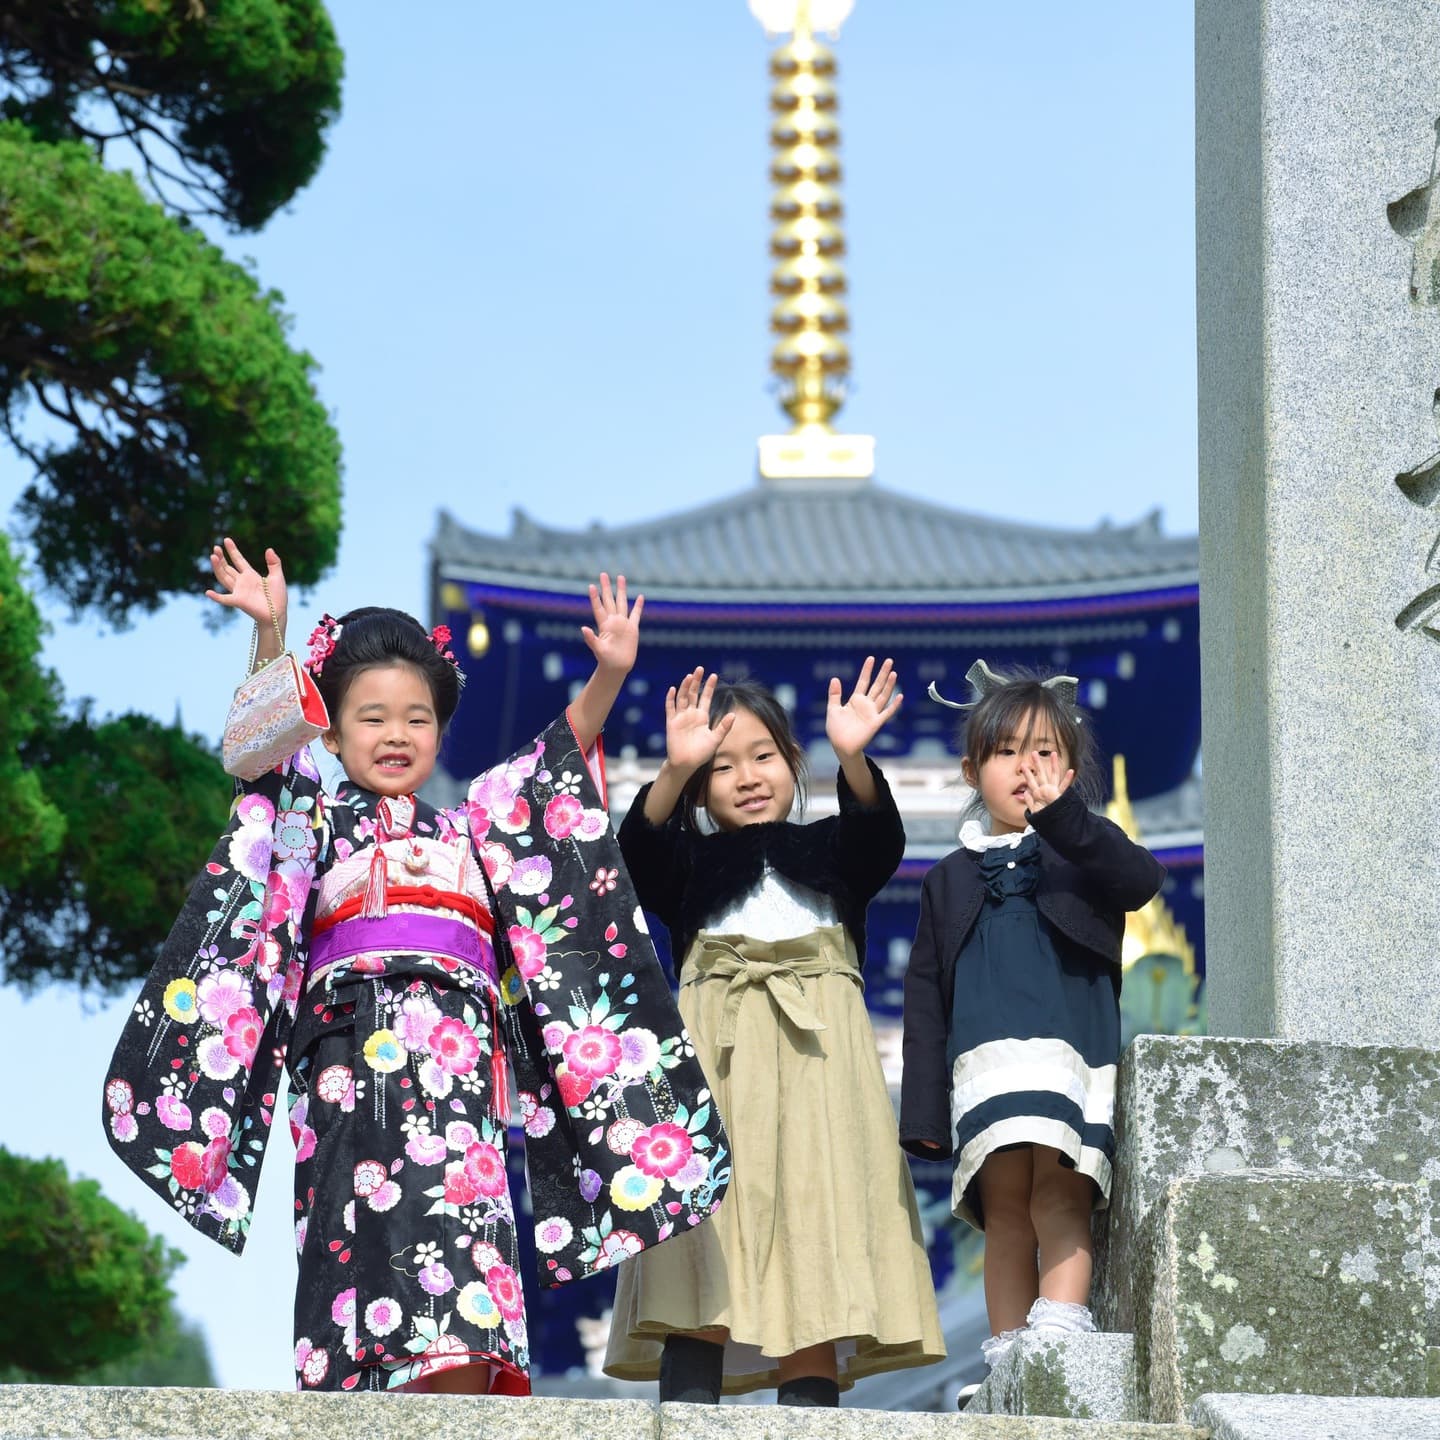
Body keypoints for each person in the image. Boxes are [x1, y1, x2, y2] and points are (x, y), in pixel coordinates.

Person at [103, 540, 729, 1395]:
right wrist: (271, 632)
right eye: (371, 716)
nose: (396, 735)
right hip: (345, 1067)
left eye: (418, 718)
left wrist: (610, 676)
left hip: (460, 1072)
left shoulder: (472, 823)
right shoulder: (315, 815)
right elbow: (259, 754)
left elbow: (553, 770)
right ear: (329, 725)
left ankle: (464, 1390)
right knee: (356, 1247)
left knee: (466, 1253)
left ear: (440, 729)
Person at [604, 662, 945, 1405]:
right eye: (721, 767)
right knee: (705, 1235)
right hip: (716, 1056)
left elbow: (879, 838)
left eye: (763, 756)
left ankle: (810, 1411)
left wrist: (853, 755)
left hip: (819, 1059)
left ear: (793, 763)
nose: (746, 776)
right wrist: (672, 767)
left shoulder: (833, 851)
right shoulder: (686, 861)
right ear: (699, 789)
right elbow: (634, 857)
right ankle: (687, 1415)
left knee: (816, 1224)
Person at [899, 660, 1164, 1375]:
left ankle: (1062, 1340)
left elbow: (1143, 881)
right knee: (1004, 1212)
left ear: (1072, 769)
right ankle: (1008, 1358)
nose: (1026, 767)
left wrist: (1068, 823)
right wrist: (923, 1112)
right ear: (970, 768)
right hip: (981, 1071)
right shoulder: (947, 879)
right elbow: (925, 999)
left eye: (1046, 751)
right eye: (1007, 751)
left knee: (1058, 1195)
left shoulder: (1085, 855)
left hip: (1067, 1058)